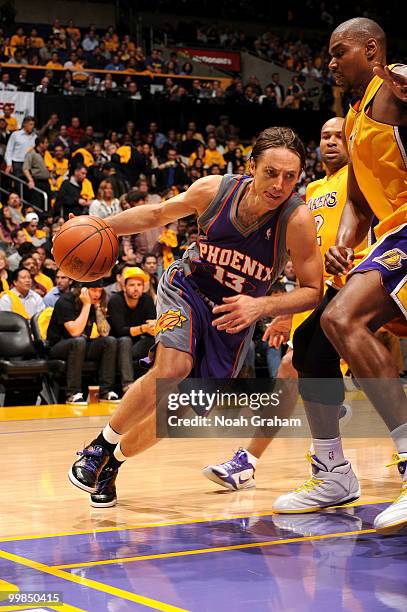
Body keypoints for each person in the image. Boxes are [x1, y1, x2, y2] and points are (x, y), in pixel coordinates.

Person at [68, 126, 323, 508]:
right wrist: (103, 226)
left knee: (175, 414)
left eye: (290, 176)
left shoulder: (296, 219)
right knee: (173, 368)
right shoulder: (215, 190)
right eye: (271, 172)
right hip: (188, 288)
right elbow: (156, 213)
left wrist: (263, 306)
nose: (279, 185)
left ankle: (111, 463)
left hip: (233, 317)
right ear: (251, 166)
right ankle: (97, 447)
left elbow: (313, 290)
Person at [274, 18, 407, 535]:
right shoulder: (353, 117)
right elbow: (356, 199)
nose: (330, 62)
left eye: (339, 51)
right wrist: (345, 244)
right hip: (389, 238)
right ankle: (332, 472)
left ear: (371, 50)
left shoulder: (395, 88)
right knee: (314, 344)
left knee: (342, 318)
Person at [203, 117, 354, 490]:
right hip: (323, 295)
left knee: (294, 368)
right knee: (291, 369)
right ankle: (250, 461)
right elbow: (306, 264)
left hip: (359, 288)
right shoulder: (312, 190)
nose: (332, 142)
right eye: (325, 137)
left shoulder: (362, 179)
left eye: (340, 135)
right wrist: (287, 313)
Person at [47, 282, 119, 406]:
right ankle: (73, 393)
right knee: (78, 341)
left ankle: (105, 392)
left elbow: (105, 333)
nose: (97, 294)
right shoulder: (65, 301)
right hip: (58, 346)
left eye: (100, 291)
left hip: (82, 345)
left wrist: (97, 309)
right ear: (83, 290)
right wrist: (86, 305)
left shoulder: (95, 302)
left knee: (110, 341)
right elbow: (75, 332)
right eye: (94, 290)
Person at [108, 267, 156, 393]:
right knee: (125, 340)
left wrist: (153, 327)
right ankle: (127, 385)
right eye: (132, 285)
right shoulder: (115, 300)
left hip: (138, 344)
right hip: (117, 346)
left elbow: (152, 324)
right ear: (124, 287)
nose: (136, 288)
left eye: (139, 284)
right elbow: (120, 331)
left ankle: (155, 383)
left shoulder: (147, 299)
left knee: (157, 340)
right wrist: (143, 328)